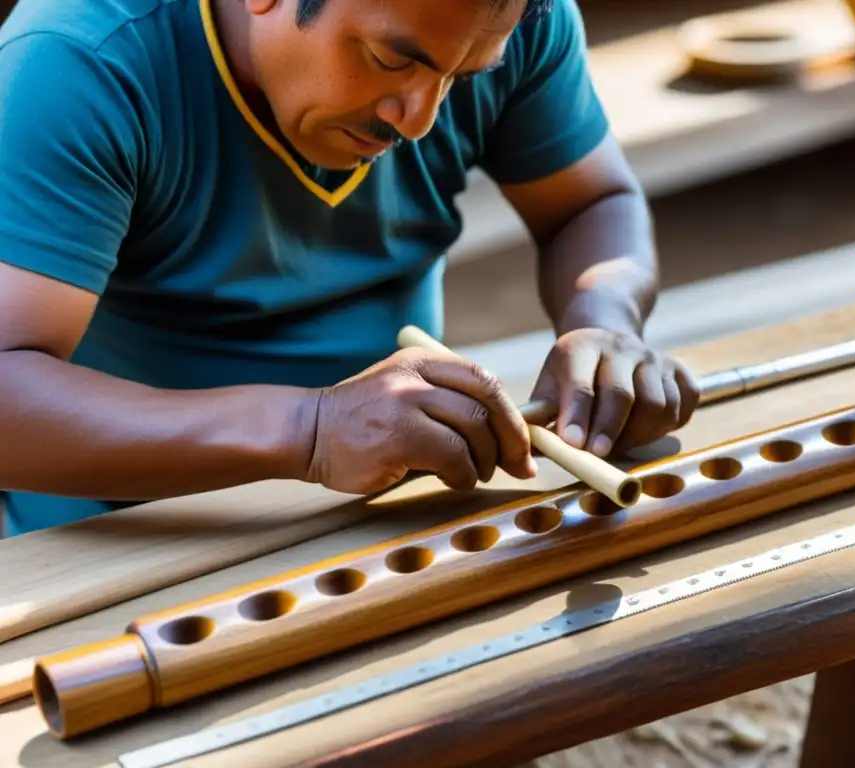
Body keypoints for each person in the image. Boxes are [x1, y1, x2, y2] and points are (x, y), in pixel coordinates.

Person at [0, 0, 699, 537]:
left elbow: (591, 201)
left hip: (397, 508)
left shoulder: (496, 18)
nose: (419, 119)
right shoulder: (79, 63)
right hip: (127, 535)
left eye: (459, 79)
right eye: (392, 59)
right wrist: (307, 429)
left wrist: (603, 321)